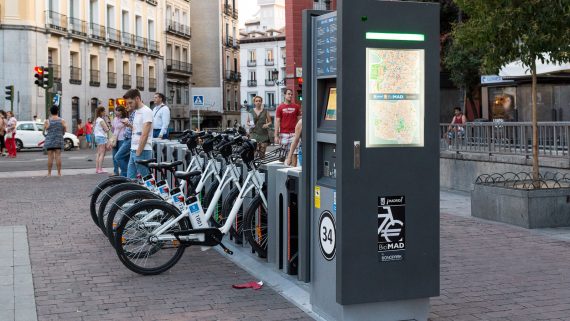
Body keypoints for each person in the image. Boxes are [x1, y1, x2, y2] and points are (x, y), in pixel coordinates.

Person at [125, 89, 153, 179]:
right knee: (130, 180)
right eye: (128, 103)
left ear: (137, 98)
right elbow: (137, 130)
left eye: (130, 102)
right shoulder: (136, 111)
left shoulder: (147, 111)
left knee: (147, 180)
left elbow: (145, 134)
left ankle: (151, 193)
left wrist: (138, 153)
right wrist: (129, 125)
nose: (129, 105)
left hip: (142, 150)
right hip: (134, 149)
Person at [274, 89, 301, 158]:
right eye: (288, 94)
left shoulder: (296, 107)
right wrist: (276, 136)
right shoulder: (280, 107)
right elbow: (277, 121)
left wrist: (300, 133)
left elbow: (299, 121)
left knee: (294, 154)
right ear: (284, 95)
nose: (290, 96)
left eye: (291, 94)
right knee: (283, 156)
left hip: (294, 134)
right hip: (283, 134)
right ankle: (285, 167)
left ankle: (292, 168)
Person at [43, 105, 67, 176]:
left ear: (51, 112)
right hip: (58, 140)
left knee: (50, 157)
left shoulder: (47, 121)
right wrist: (62, 133)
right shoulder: (62, 120)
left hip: (49, 140)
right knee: (58, 156)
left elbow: (44, 130)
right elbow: (65, 129)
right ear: (58, 111)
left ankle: (49, 173)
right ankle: (59, 173)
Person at [114, 102, 135, 177]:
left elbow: (136, 128)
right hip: (125, 138)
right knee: (124, 158)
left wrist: (128, 124)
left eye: (129, 104)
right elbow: (114, 128)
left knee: (118, 157)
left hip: (126, 138)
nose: (127, 106)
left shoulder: (132, 115)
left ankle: (126, 173)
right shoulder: (131, 114)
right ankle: (124, 176)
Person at [111, 106, 128, 176]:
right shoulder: (115, 119)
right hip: (115, 139)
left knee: (120, 156)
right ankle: (115, 171)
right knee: (114, 156)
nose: (115, 112)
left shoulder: (126, 119)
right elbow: (113, 129)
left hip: (122, 139)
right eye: (115, 110)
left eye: (117, 111)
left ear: (121, 112)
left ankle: (123, 171)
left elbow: (124, 129)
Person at [93, 107, 110, 173]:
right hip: (102, 137)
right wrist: (109, 127)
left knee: (98, 153)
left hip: (97, 137)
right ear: (101, 112)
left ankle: (97, 169)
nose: (105, 112)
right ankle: (100, 169)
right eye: (104, 111)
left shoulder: (96, 120)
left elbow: (94, 129)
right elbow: (106, 129)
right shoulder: (101, 120)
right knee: (102, 153)